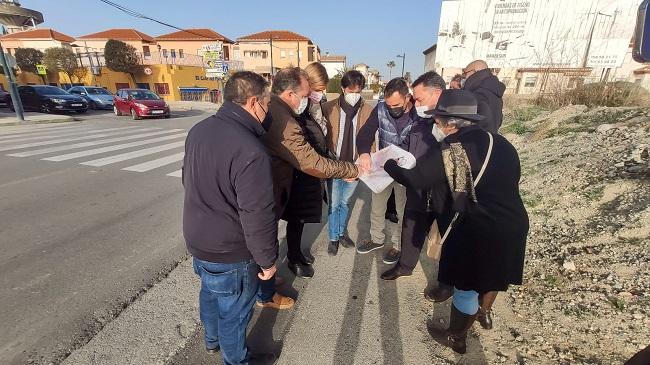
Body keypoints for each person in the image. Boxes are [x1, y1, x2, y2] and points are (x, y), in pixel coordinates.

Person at [384, 89, 528, 354]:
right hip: (513, 223)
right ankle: (483, 314)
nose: (435, 126)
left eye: (437, 121)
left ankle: (456, 336)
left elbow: (416, 179)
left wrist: (388, 164)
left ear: (450, 123)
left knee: (466, 286)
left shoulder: (455, 148)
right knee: (492, 278)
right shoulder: (501, 142)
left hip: (478, 229)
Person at [182, 71, 278, 364]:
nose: (268, 110)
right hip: (231, 249)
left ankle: (211, 342)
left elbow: (187, 179)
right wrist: (267, 260)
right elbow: (256, 213)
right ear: (252, 102)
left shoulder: (199, 130)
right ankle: (236, 360)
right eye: (266, 103)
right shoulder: (251, 150)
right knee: (234, 312)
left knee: (210, 294)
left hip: (198, 238)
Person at [261, 67, 359, 287]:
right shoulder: (285, 118)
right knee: (278, 229)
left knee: (294, 222)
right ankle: (269, 281)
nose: (313, 97)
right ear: (291, 93)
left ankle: (274, 271)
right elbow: (308, 159)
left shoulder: (294, 110)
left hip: (300, 174)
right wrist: (351, 170)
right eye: (309, 93)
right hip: (294, 175)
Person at [375, 72, 446, 280]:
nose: (415, 103)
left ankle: (447, 280)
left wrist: (391, 166)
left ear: (437, 93)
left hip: (442, 190)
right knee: (410, 224)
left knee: (445, 234)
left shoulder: (451, 120)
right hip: (417, 187)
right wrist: (393, 157)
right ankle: (405, 265)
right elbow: (407, 146)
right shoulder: (421, 119)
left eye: (419, 98)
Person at [280, 62, 334, 278]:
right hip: (299, 172)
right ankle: (292, 258)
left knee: (301, 219)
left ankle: (297, 253)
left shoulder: (312, 106)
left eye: (322, 90)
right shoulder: (296, 109)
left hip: (310, 171)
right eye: (318, 89)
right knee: (296, 218)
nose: (320, 94)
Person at [355, 77, 416, 264]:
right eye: (389, 105)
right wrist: (364, 153)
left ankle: (399, 246)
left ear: (407, 98)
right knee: (377, 206)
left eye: (396, 104)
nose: (392, 109)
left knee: (403, 210)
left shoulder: (419, 113)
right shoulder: (381, 108)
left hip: (407, 170)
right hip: (384, 169)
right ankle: (377, 239)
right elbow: (365, 133)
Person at [322, 70, 373, 256]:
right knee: (334, 204)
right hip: (334, 164)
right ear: (343, 89)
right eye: (351, 90)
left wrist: (363, 166)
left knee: (345, 203)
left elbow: (371, 140)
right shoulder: (328, 108)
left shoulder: (367, 110)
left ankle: (342, 233)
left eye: (358, 91)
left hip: (355, 165)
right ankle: (333, 238)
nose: (354, 95)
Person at [461, 60, 506, 133]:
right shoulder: (495, 92)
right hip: (491, 138)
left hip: (476, 140)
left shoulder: (478, 94)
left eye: (465, 73)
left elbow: (482, 121)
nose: (464, 77)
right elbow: (499, 119)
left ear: (475, 72)